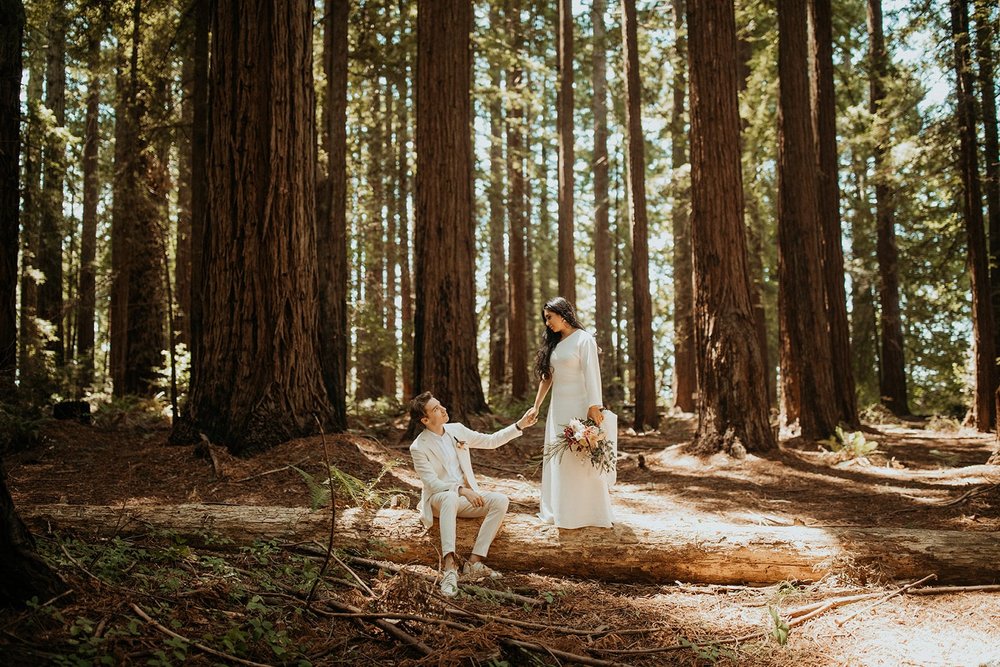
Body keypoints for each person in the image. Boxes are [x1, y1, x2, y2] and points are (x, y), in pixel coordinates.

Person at [408, 391, 537, 597]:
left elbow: (491, 441)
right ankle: (450, 568)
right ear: (425, 419)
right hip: (438, 499)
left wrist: (519, 425)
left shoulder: (456, 430)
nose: (442, 410)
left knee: (500, 500)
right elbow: (431, 483)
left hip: (463, 499)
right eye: (435, 409)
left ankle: (474, 562)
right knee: (450, 497)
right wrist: (461, 490)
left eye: (440, 405)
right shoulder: (418, 447)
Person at [531, 296, 614, 528]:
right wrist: (536, 406)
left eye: (549, 317)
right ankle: (560, 510)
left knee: (581, 458)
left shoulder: (583, 339)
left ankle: (587, 513)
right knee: (560, 459)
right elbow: (547, 377)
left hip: (579, 407)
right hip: (558, 409)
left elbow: (591, 372)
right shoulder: (554, 343)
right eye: (545, 319)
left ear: (563, 314)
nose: (547, 323)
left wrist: (594, 405)